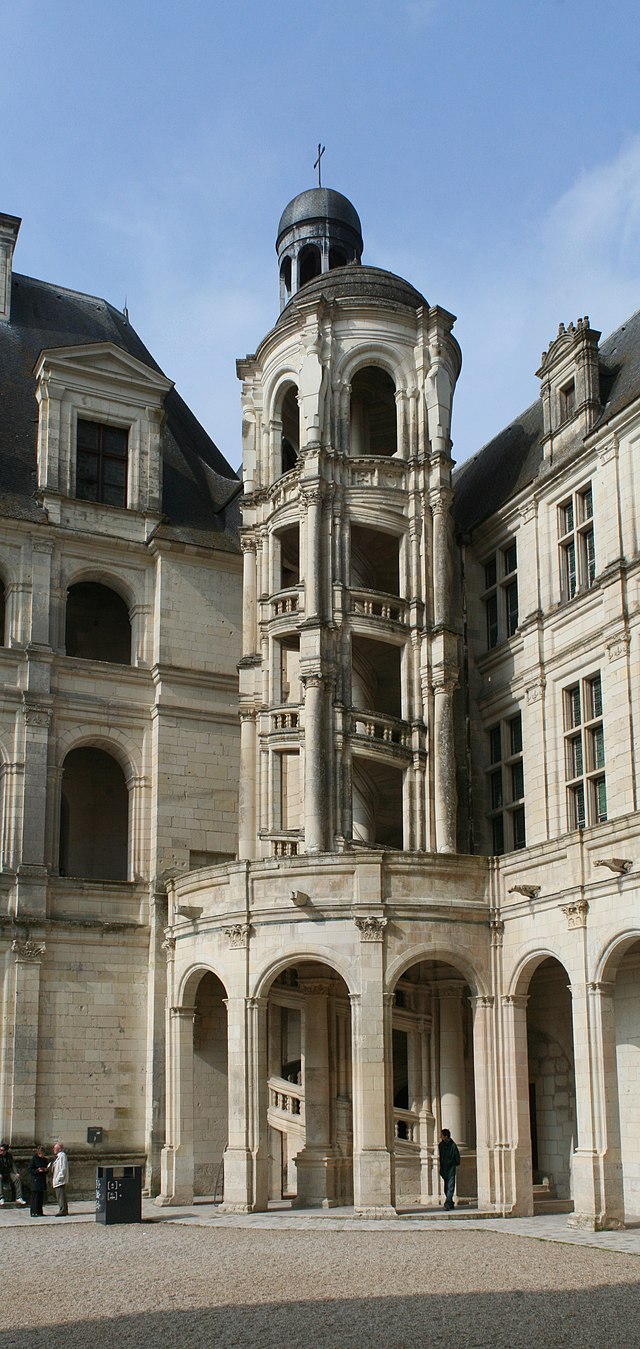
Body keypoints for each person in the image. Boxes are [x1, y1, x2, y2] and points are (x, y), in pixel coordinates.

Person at [438, 1127, 461, 1211]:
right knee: (446, 1188)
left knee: (450, 1187)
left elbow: (457, 1157)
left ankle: (447, 1203)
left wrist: (453, 1164)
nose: (440, 1137)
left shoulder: (453, 1146)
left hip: (451, 1169)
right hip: (444, 1169)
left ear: (446, 1136)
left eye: (442, 1135)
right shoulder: (441, 1145)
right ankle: (450, 1203)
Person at [28, 1146, 49, 1217]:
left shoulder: (44, 1160)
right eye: (40, 1153)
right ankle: (34, 1212)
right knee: (35, 1197)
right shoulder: (34, 1159)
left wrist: (45, 1170)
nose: (42, 1155)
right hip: (36, 1180)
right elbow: (30, 1169)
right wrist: (37, 1170)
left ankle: (40, 1211)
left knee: (40, 1197)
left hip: (41, 1180)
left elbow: (46, 1169)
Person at [51, 1142, 69, 1217]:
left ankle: (63, 1210)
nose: (53, 1150)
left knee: (61, 1195)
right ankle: (63, 1209)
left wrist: (59, 1178)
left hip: (59, 1180)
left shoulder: (62, 1155)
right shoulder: (58, 1156)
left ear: (59, 1149)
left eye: (55, 1148)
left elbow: (63, 1168)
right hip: (57, 1179)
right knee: (60, 1195)